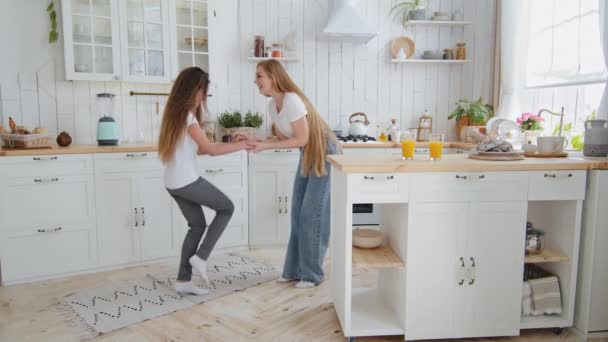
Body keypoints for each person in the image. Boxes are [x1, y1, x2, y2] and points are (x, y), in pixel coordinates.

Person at [245, 59, 341, 288]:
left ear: (273, 76)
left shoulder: (292, 100)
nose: (255, 81)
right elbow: (285, 139)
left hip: (323, 151)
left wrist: (265, 146)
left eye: (259, 76)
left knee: (311, 213)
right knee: (297, 210)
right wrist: (255, 141)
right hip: (307, 152)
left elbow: (304, 138)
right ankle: (293, 270)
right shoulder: (273, 106)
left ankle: (312, 274)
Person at [158, 66, 253, 295]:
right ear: (197, 90)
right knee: (226, 207)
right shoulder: (189, 117)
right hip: (187, 180)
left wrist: (230, 140)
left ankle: (183, 281)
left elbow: (197, 149)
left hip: (173, 181)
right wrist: (242, 145)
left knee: (197, 225)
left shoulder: (175, 114)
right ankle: (201, 258)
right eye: (204, 91)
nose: (204, 97)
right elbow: (210, 149)